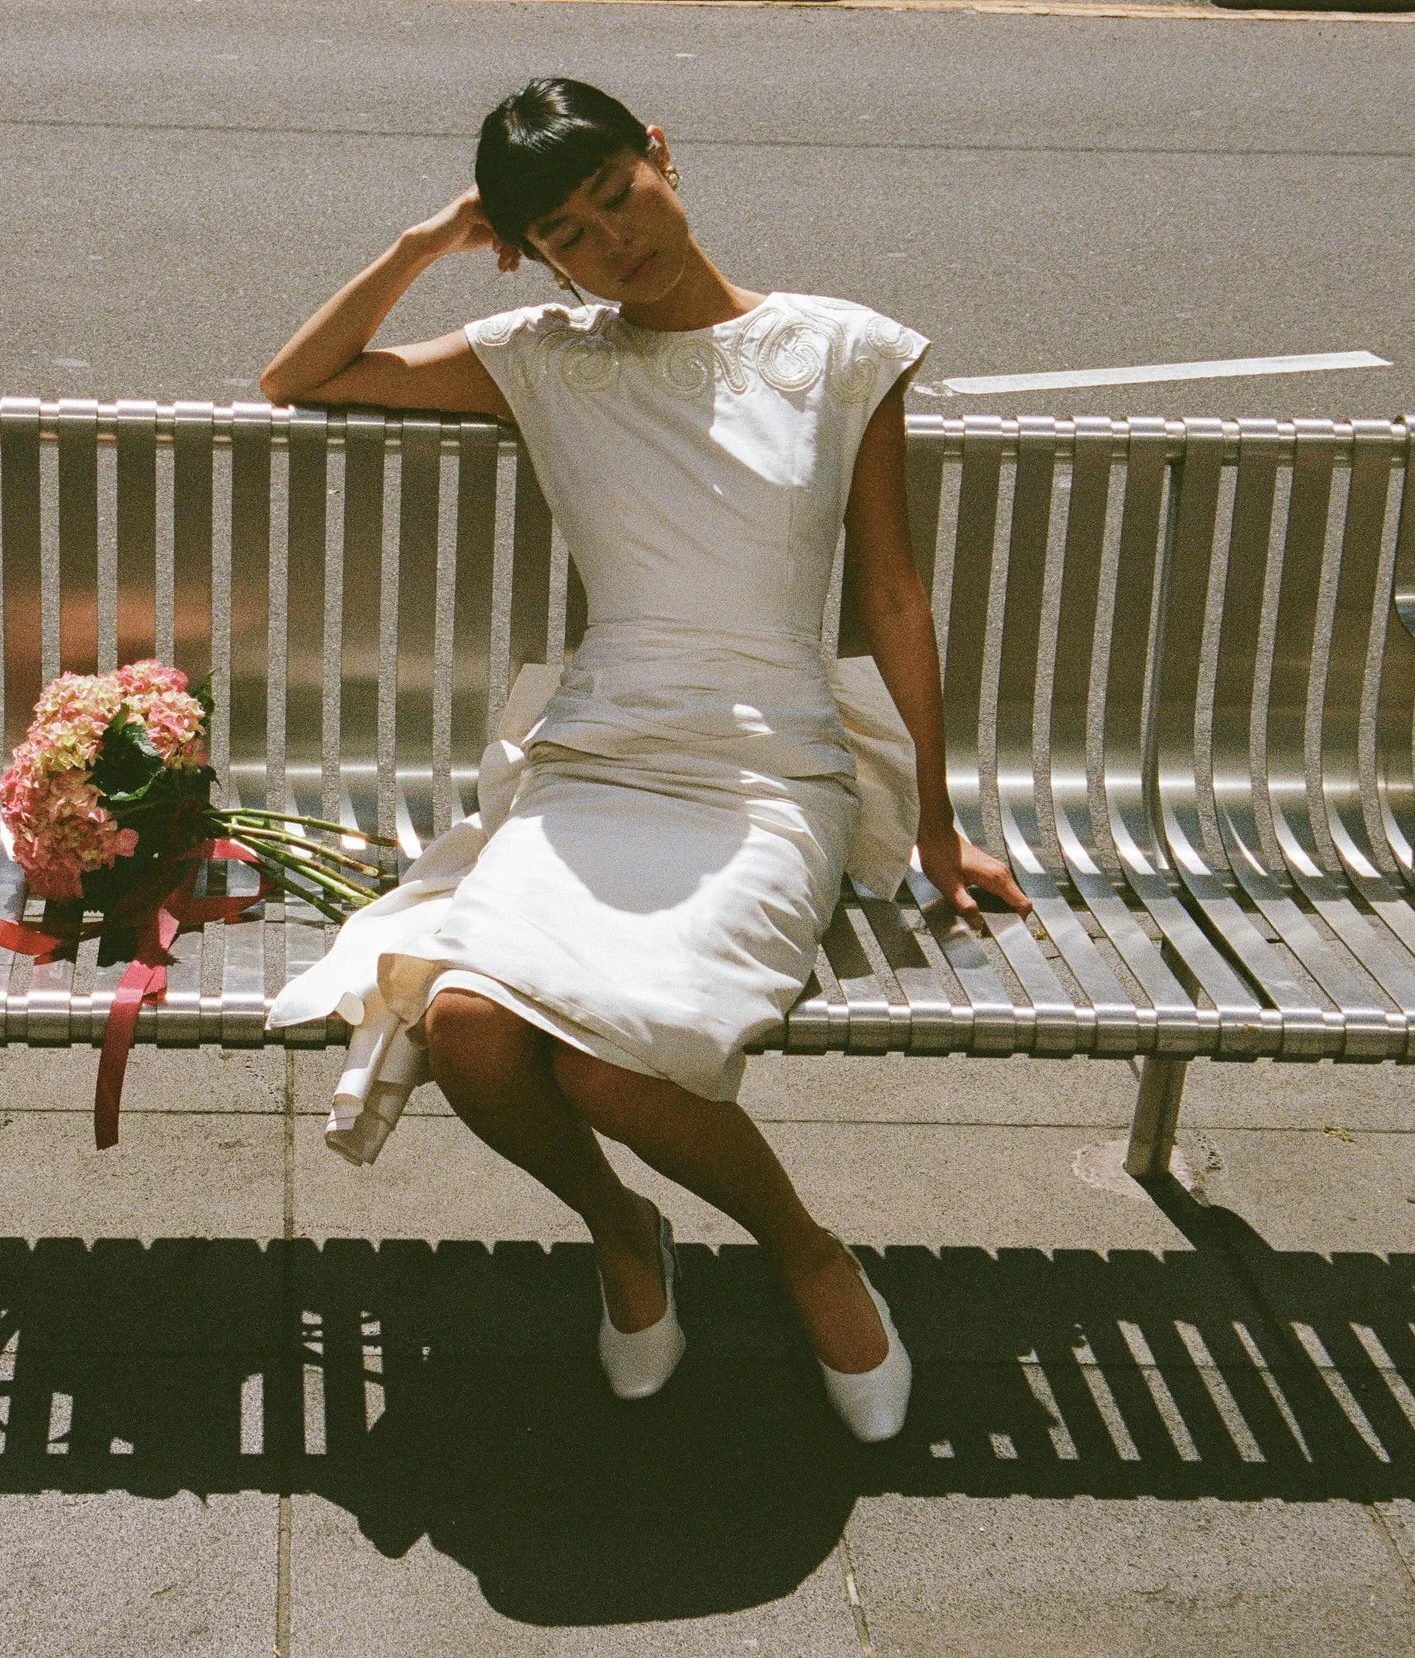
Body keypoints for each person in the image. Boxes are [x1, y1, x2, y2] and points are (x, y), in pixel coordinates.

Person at [255, 77, 1030, 1440]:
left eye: (621, 194)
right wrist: (432, 243)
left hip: (764, 778)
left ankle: (804, 1251)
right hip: (597, 768)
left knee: (619, 1062)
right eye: (569, 232)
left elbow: (894, 596)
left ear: (662, 154)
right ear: (538, 253)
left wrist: (935, 825)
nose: (617, 243)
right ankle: (622, 1233)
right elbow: (297, 376)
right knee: (468, 1025)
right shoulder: (547, 358)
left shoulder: (841, 351)